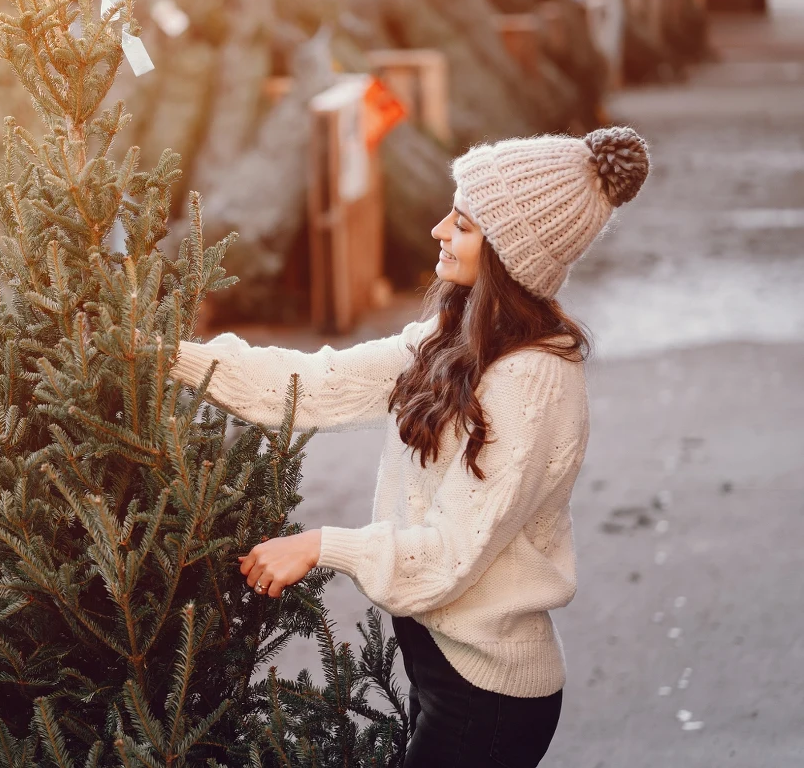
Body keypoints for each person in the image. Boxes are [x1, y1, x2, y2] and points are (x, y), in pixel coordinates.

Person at [170, 127, 651, 768]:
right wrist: (167, 358)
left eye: (464, 223)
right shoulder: (456, 339)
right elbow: (320, 383)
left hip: (489, 697)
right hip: (448, 670)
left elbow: (450, 556)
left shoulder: (530, 382)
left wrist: (321, 546)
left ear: (510, 252)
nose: (438, 230)